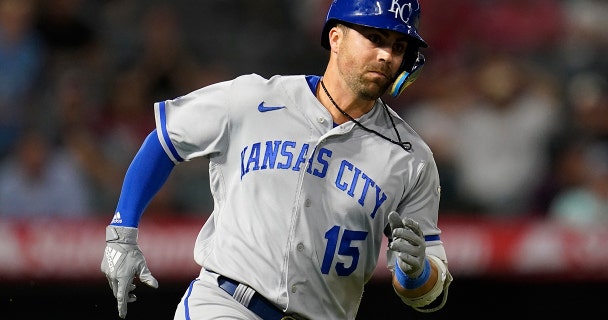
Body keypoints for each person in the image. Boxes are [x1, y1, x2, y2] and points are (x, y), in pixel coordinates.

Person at [101, 1, 453, 319]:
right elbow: (165, 140)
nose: (386, 56)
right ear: (336, 37)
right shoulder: (255, 98)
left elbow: (429, 295)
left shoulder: (411, 159)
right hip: (225, 304)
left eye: (398, 46)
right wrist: (121, 233)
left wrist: (418, 272)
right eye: (375, 37)